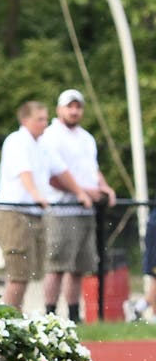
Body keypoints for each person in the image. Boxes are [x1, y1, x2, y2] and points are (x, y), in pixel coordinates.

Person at [0, 101, 88, 309]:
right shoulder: (16, 141)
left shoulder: (43, 145)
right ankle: (9, 319)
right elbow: (24, 172)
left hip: (35, 214)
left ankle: (17, 318)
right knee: (17, 272)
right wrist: (38, 196)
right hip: (14, 212)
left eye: (45, 119)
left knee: (28, 272)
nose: (45, 123)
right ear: (25, 120)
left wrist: (81, 192)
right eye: (40, 119)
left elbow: (61, 172)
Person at [40, 89, 115, 322]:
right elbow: (52, 175)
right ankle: (50, 314)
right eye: (69, 106)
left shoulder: (86, 138)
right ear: (59, 109)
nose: (74, 111)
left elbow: (92, 169)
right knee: (57, 265)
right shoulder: (51, 135)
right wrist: (81, 192)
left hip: (85, 210)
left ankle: (74, 315)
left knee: (79, 266)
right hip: (61, 209)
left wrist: (105, 187)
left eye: (78, 107)